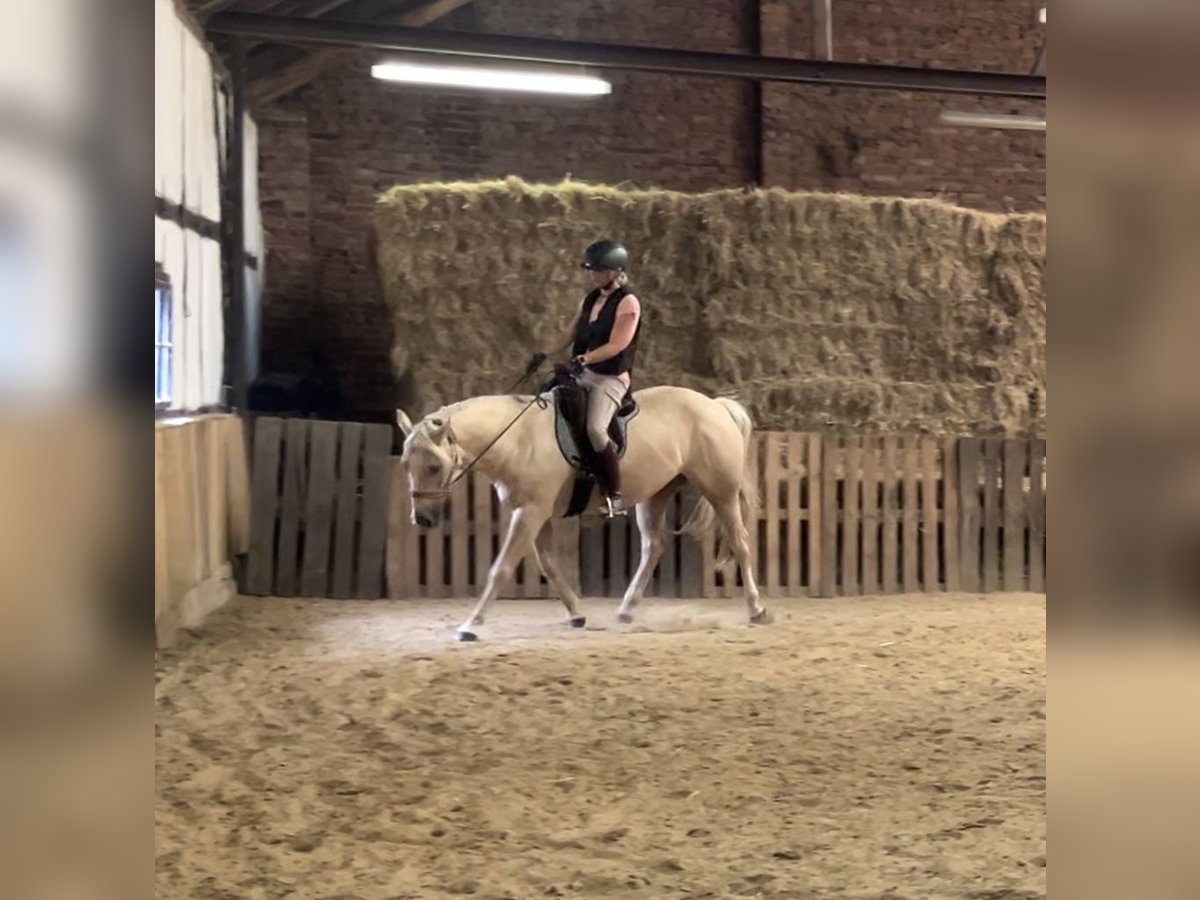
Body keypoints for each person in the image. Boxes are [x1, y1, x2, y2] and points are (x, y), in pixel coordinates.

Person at [534, 239, 642, 517]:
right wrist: (544, 353)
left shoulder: (628, 303)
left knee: (595, 429)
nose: (593, 275)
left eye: (599, 271)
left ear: (616, 272)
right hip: (583, 373)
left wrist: (585, 358)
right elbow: (571, 332)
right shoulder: (590, 300)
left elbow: (618, 344)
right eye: (591, 271)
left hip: (610, 377)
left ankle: (614, 494)